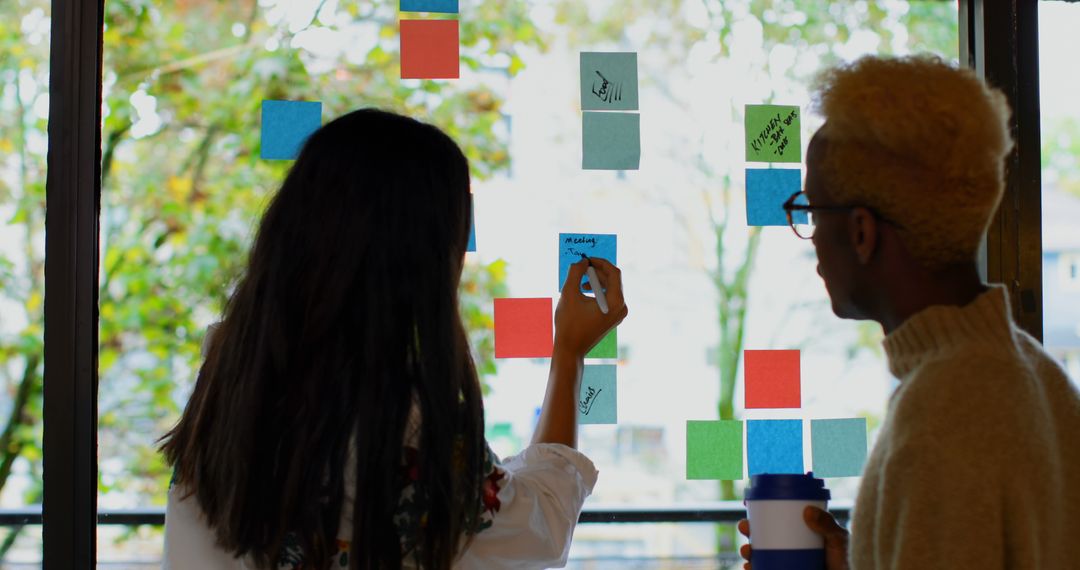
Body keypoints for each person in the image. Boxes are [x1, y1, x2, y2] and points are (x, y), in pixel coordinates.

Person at [159, 108, 628, 569]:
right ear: (417, 261)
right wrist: (568, 354)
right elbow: (537, 528)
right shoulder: (405, 427)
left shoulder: (229, 380)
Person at [740, 54, 1080, 569]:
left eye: (810, 210)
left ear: (861, 232)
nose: (809, 239)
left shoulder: (940, 418)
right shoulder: (1041, 376)